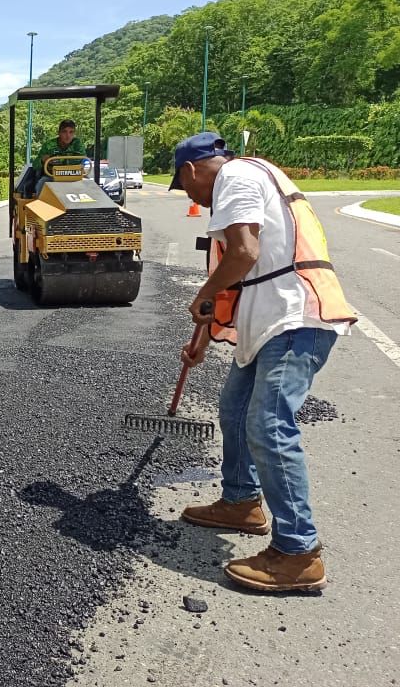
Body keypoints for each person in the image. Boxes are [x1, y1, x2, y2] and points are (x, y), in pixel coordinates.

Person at [171, 132, 357, 592]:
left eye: (185, 186)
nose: (191, 197)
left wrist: (203, 294)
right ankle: (240, 502)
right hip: (271, 321)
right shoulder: (251, 176)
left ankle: (298, 552)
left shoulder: (234, 178)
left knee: (269, 424)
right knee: (234, 410)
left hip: (295, 318)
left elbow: (243, 253)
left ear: (192, 170)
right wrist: (209, 336)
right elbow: (247, 273)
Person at [33, 119, 87, 194]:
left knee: (89, 185)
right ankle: (39, 204)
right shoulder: (49, 145)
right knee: (42, 184)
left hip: (74, 176)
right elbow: (35, 165)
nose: (68, 135)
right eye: (64, 132)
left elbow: (81, 159)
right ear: (59, 133)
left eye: (71, 132)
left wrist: (61, 160)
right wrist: (43, 160)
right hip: (52, 177)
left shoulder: (77, 144)